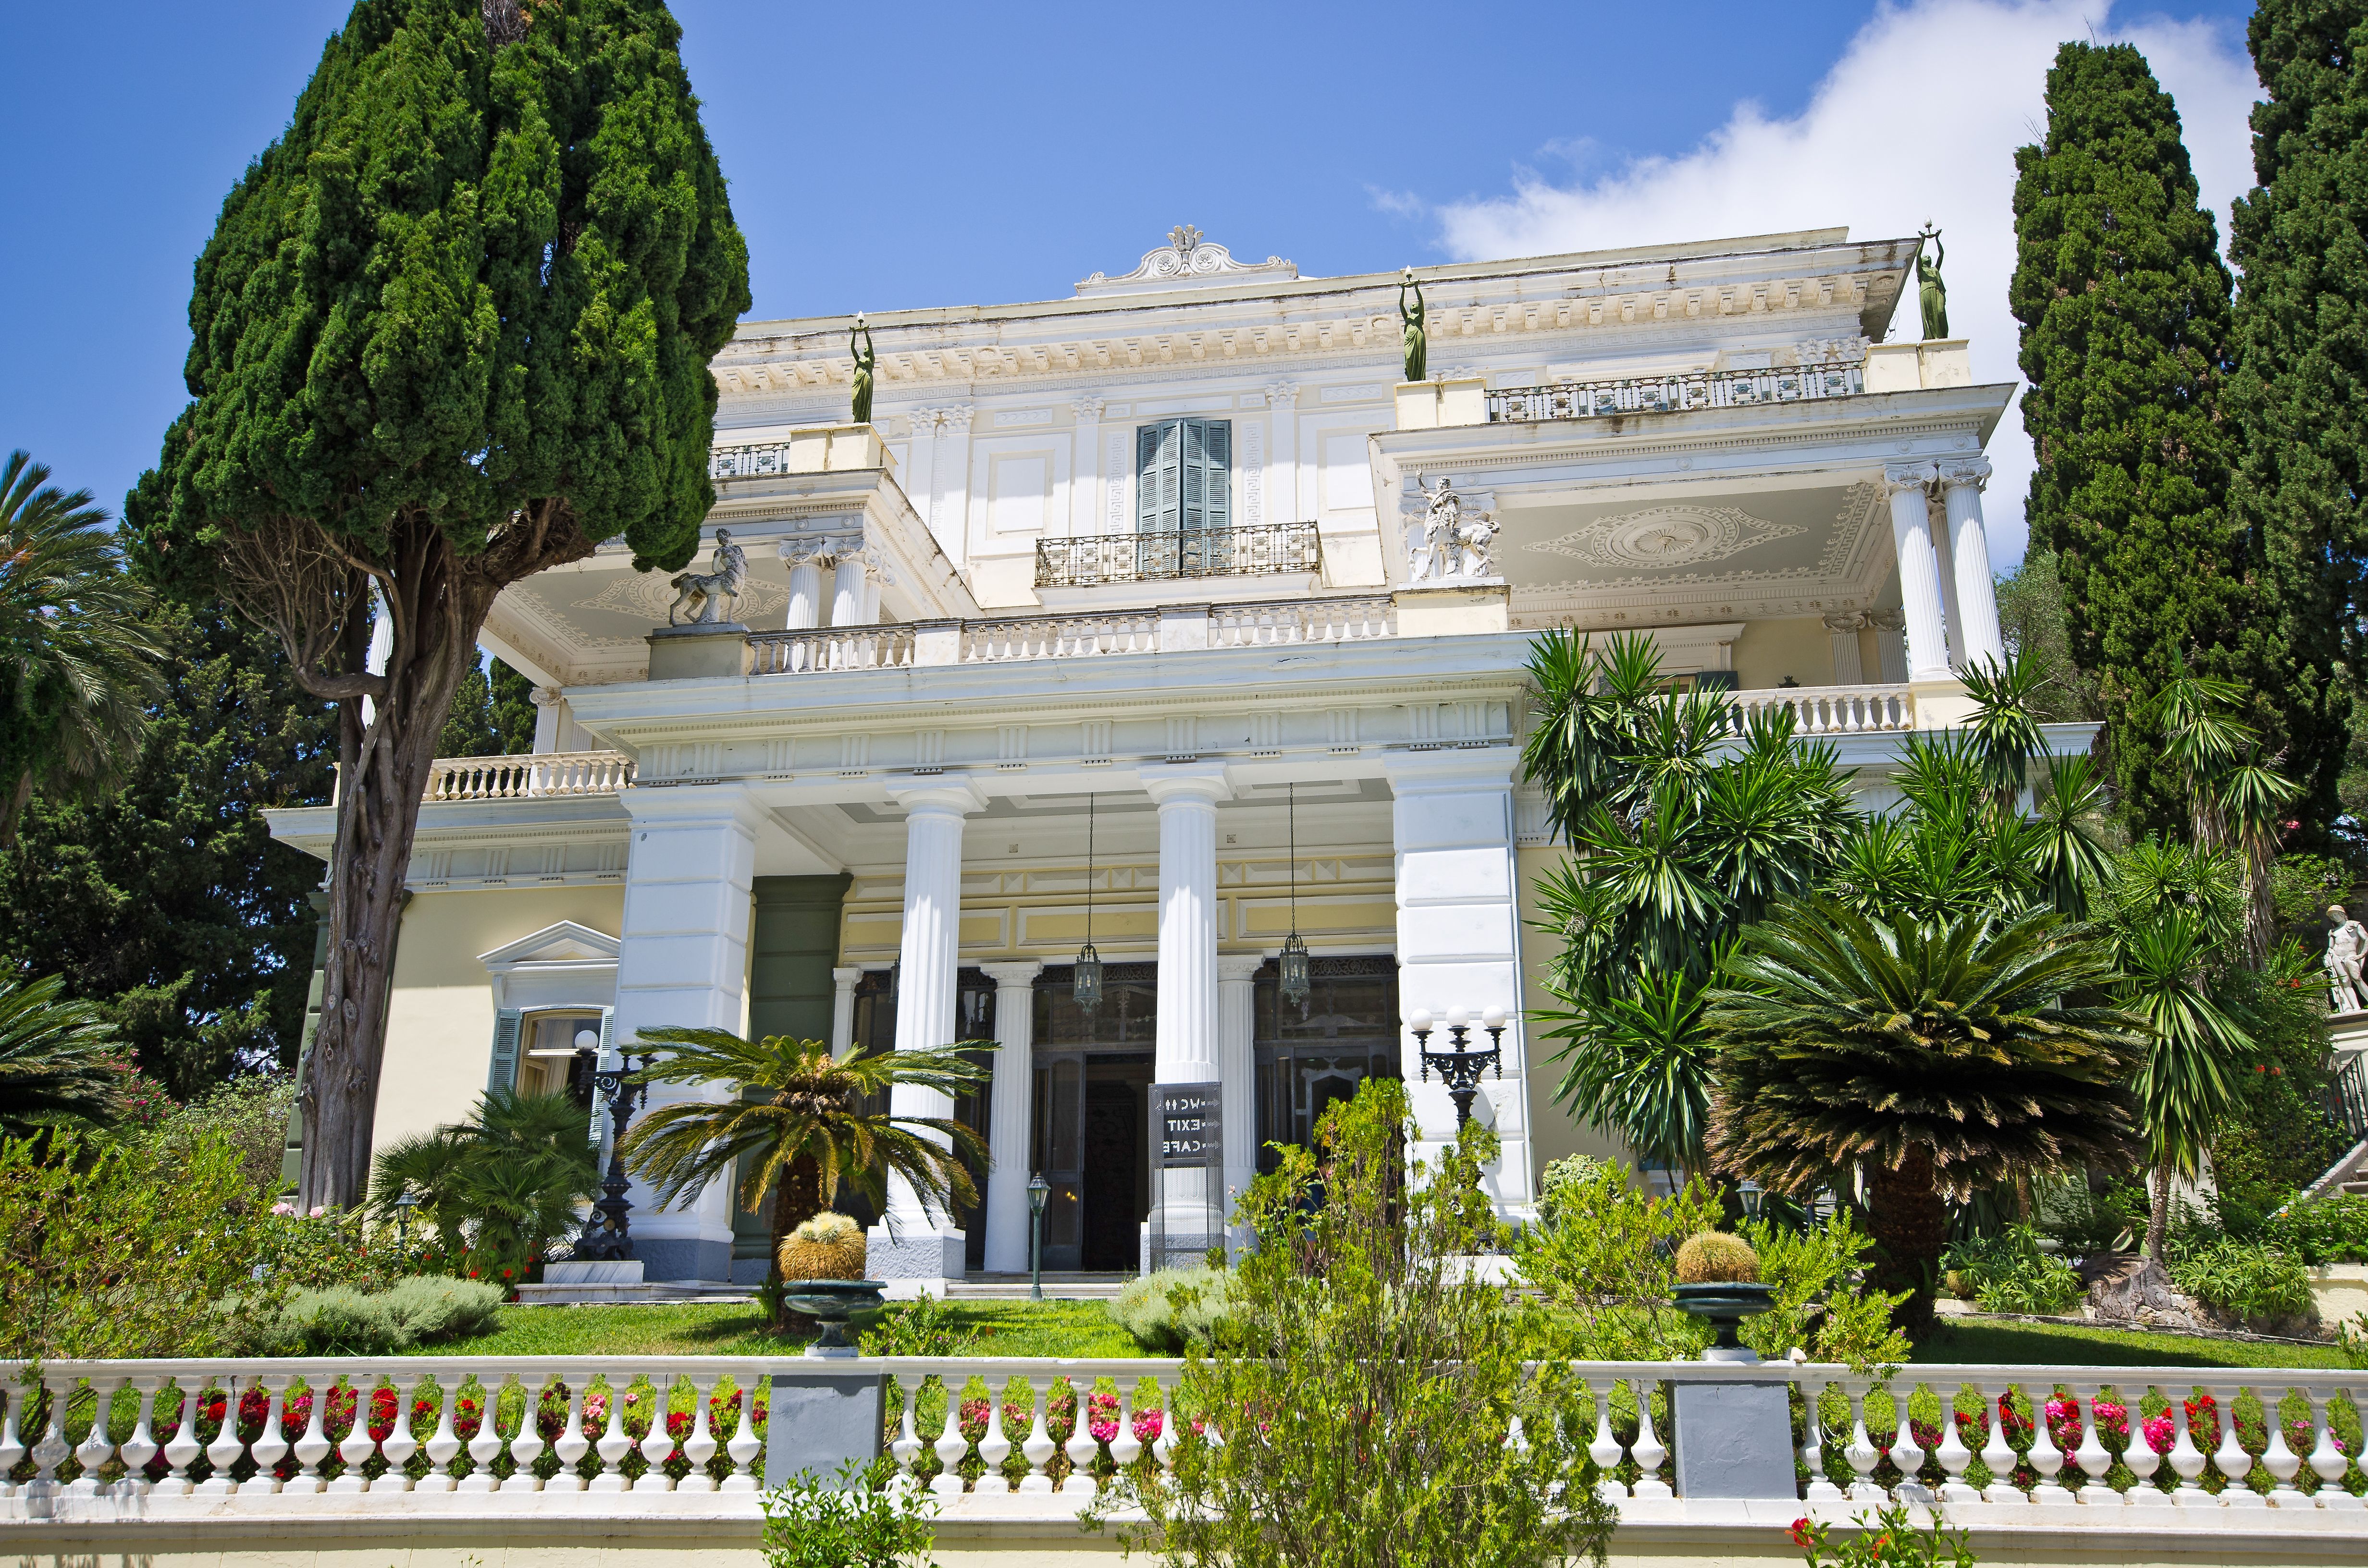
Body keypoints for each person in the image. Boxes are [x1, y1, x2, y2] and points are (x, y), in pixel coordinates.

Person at [2327, 904, 2368, 1014]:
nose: (2335, 918)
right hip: (2337, 957)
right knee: (2345, 982)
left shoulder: (2354, 926)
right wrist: (2329, 952)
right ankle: (2355, 1007)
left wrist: (2361, 955)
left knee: (2357, 978)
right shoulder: (2333, 932)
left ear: (2342, 914)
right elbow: (2331, 947)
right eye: (2333, 916)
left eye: (2336, 915)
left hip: (2351, 956)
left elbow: (2366, 939)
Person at [1398, 268, 1427, 383]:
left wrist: (1416, 288)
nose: (1414, 304)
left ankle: (1419, 379)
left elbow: (1421, 300)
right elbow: (1401, 305)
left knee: (1418, 358)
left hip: (1418, 336)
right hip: (1409, 338)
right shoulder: (1408, 317)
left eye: (1416, 304)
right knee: (1409, 359)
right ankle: (1411, 377)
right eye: (1413, 304)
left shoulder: (1420, 316)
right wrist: (1403, 290)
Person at [849, 313, 876, 425]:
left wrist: (866, 333)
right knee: (856, 399)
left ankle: (863, 420)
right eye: (865, 348)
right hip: (858, 380)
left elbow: (870, 345)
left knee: (865, 400)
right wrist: (854, 334)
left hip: (866, 378)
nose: (865, 348)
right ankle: (857, 418)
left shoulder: (871, 360)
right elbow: (853, 349)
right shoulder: (859, 359)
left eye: (867, 348)